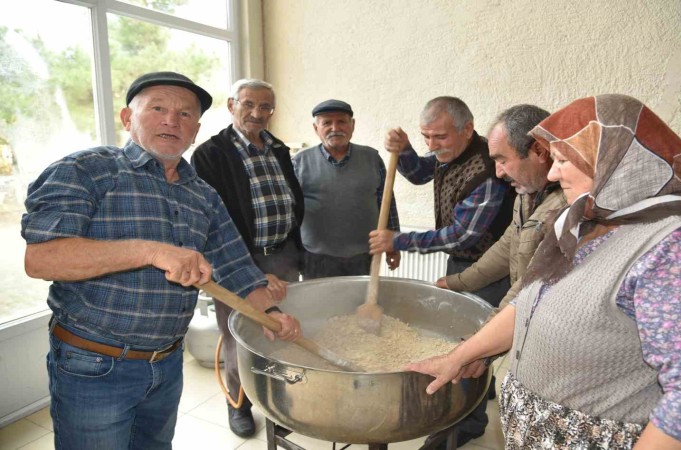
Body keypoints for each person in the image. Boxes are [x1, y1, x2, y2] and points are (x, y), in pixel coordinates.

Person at [407, 94, 681, 449]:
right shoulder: (583, 224)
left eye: (563, 160)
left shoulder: (680, 247)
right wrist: (460, 357)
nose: (552, 173)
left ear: (612, 159)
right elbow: (528, 303)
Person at [21, 71, 302, 450]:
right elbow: (42, 259)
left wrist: (268, 314)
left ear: (195, 130)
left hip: (167, 364)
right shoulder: (87, 169)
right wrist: (150, 251)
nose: (172, 120)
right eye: (158, 108)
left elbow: (236, 268)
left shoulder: (202, 195)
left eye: (185, 115)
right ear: (126, 118)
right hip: (94, 365)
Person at [369, 96, 516, 448]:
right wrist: (405, 151)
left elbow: (463, 234)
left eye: (440, 138)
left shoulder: (486, 170)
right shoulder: (449, 154)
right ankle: (482, 394)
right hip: (462, 261)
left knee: (468, 343)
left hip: (489, 269)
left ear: (467, 129)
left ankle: (466, 422)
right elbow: (421, 172)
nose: (433, 146)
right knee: (472, 338)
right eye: (426, 137)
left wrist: (399, 240)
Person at [191, 78, 304, 437]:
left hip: (283, 257)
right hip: (238, 263)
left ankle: (277, 406)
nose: (257, 113)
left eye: (265, 107)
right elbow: (212, 223)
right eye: (248, 104)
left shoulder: (279, 149)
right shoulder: (210, 154)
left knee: (281, 334)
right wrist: (253, 271)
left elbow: (291, 202)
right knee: (239, 340)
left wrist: (294, 255)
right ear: (231, 105)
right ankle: (238, 403)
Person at [434, 104, 566, 389]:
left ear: (539, 151)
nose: (498, 172)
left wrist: (477, 347)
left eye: (502, 160)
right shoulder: (528, 192)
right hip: (524, 330)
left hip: (550, 341)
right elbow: (508, 244)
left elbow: (528, 287)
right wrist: (458, 281)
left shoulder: (566, 207)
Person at [292, 99, 400, 278]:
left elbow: (387, 203)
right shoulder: (299, 163)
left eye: (341, 121)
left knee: (359, 304)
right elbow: (291, 215)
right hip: (316, 258)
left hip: (364, 256)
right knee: (319, 306)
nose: (335, 128)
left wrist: (394, 244)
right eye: (327, 123)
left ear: (352, 125)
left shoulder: (372, 158)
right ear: (315, 128)